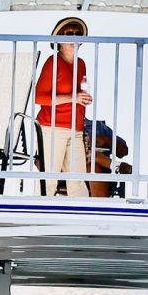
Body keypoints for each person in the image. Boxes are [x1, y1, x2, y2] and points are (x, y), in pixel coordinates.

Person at [32, 16, 97, 197]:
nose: (74, 37)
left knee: (77, 179)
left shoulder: (81, 64)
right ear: (59, 40)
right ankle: (38, 216)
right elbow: (39, 97)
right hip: (52, 128)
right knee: (49, 179)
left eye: (78, 34)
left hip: (75, 129)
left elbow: (77, 96)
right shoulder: (53, 62)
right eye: (69, 34)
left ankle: (83, 218)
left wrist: (80, 100)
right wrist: (73, 98)